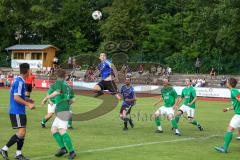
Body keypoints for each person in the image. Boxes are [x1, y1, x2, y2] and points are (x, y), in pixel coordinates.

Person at [0, 63, 35, 160]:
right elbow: (16, 98)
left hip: (18, 110)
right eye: (30, 70)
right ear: (27, 71)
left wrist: (28, 99)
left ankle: (18, 153)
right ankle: (4, 149)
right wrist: (28, 104)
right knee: (21, 132)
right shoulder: (19, 82)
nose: (30, 71)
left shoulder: (18, 80)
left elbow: (16, 95)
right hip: (17, 111)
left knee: (23, 132)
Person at [41, 69, 76, 159]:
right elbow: (73, 100)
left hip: (62, 110)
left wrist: (46, 98)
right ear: (65, 76)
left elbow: (56, 92)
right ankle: (63, 149)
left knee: (62, 131)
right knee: (53, 129)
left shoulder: (59, 83)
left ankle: (72, 151)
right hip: (64, 109)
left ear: (57, 76)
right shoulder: (68, 85)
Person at [215, 78, 240, 153]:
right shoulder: (233, 91)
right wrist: (228, 109)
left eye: (227, 82)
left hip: (238, 115)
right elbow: (236, 105)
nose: (226, 83)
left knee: (230, 129)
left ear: (229, 84)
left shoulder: (234, 91)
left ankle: (224, 148)